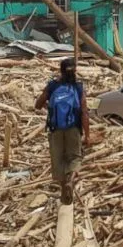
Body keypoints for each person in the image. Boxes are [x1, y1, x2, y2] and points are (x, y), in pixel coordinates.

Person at [35, 58, 92, 205]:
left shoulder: (53, 85)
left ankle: (63, 192)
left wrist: (50, 107)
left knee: (58, 160)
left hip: (56, 129)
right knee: (74, 158)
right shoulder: (78, 87)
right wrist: (87, 135)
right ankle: (71, 181)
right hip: (73, 128)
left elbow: (37, 105)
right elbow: (84, 112)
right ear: (75, 70)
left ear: (61, 70)